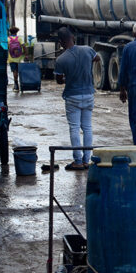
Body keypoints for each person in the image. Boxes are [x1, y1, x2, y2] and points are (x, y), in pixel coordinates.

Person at [54, 27, 99, 170]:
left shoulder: (61, 59)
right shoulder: (87, 50)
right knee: (87, 127)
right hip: (88, 94)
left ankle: (78, 161)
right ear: (73, 37)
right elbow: (97, 58)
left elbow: (59, 80)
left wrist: (68, 76)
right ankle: (87, 160)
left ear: (60, 42)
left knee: (74, 128)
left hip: (72, 96)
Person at [7, 26, 24, 91]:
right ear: (17, 32)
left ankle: (16, 85)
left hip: (11, 58)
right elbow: (23, 46)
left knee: (14, 71)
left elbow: (6, 48)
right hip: (19, 58)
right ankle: (22, 83)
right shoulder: (19, 38)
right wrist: (26, 54)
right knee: (20, 71)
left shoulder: (8, 39)